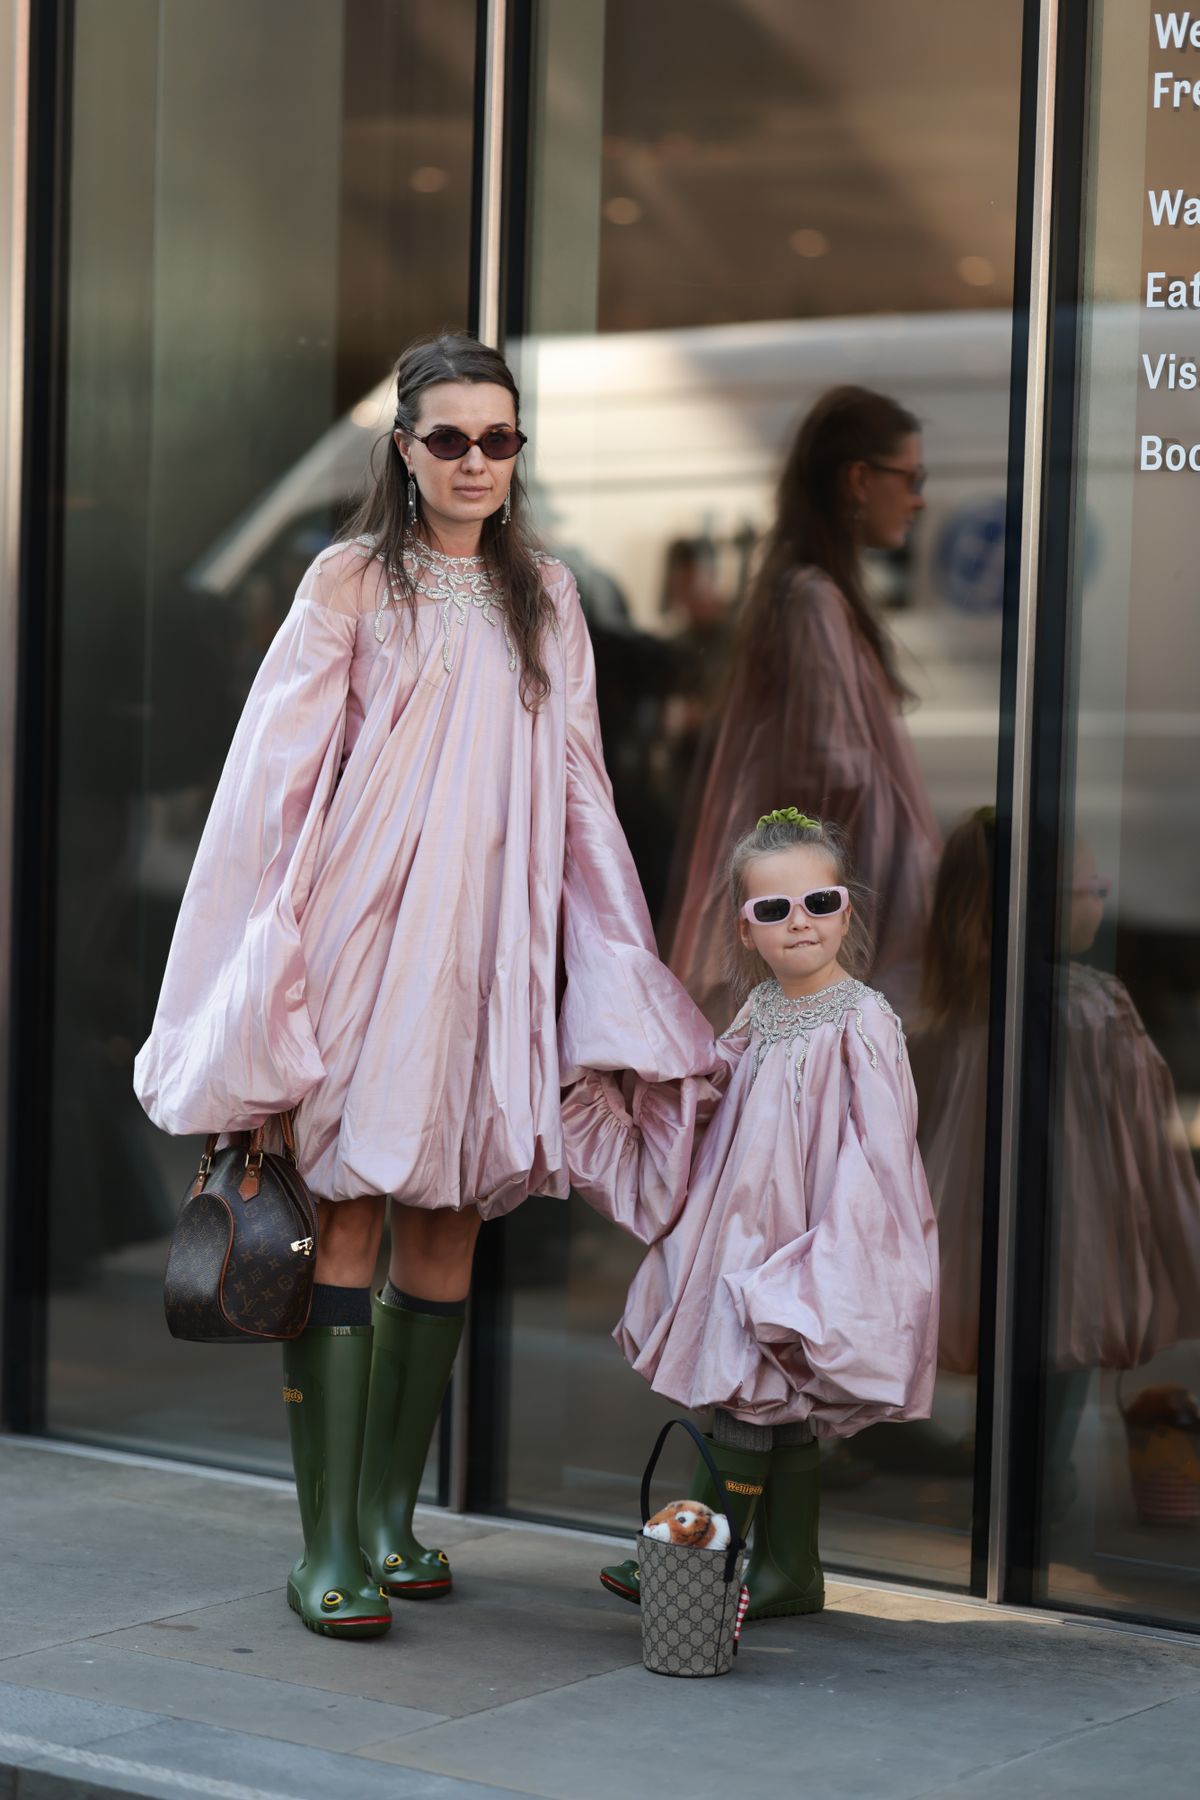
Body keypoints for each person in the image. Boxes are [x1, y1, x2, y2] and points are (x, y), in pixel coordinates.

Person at [133, 332, 712, 1640]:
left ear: (517, 455)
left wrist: (608, 965)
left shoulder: (549, 595)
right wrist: (260, 979)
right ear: (402, 448)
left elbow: (578, 786)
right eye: (446, 437)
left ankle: (391, 1521)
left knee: (446, 1225)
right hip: (355, 949)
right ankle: (325, 1543)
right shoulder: (346, 580)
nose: (472, 460)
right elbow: (269, 793)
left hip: (488, 957)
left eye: (497, 438)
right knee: (339, 1223)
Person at [565, 808, 938, 1619]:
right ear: (746, 928)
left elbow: (881, 1149)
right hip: (740, 1234)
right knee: (770, 1400)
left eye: (820, 903)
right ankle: (790, 1571)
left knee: (747, 1391)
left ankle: (696, 1558)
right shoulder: (762, 1010)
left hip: (815, 1235)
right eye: (775, 910)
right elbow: (714, 1086)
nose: (800, 923)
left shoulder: (864, 1021)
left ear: (848, 909)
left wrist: (835, 1259)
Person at [910, 810, 1200, 1514]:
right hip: (1072, 1233)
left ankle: (1006, 1488)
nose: (1103, 900)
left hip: (979, 1231)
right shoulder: (1091, 1006)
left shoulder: (966, 1000)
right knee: (1057, 1381)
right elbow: (1140, 1140)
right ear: (1046, 903)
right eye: (1093, 886)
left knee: (1012, 1376)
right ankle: (1033, 1504)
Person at [666, 386, 940, 1024]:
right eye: (912, 477)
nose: (920, 498)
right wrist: (928, 858)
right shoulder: (813, 599)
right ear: (859, 480)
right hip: (806, 929)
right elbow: (831, 771)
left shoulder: (806, 592)